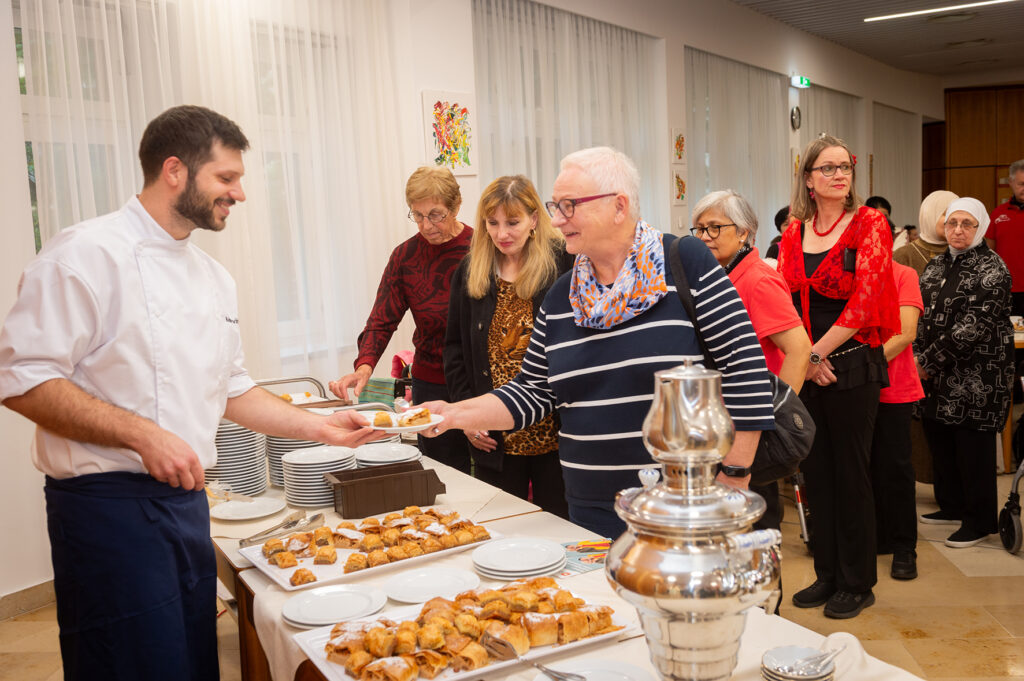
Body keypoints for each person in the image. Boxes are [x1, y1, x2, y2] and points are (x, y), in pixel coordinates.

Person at [0, 105, 382, 680]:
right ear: (174, 170)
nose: (240, 194)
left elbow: (229, 389)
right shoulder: (83, 255)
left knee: (191, 660)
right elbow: (22, 378)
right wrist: (142, 434)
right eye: (226, 178)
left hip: (185, 506)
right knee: (130, 666)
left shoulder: (212, 277)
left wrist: (320, 428)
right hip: (106, 512)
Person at [421, 146, 775, 538]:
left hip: (683, 503)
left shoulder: (684, 262)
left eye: (569, 206)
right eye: (555, 206)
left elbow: (745, 370)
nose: (556, 220)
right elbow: (533, 392)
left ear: (619, 206)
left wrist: (736, 477)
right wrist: (450, 414)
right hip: (589, 506)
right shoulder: (561, 296)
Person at [778, 134, 899, 620]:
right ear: (808, 180)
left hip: (852, 363)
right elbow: (785, 300)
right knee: (816, 473)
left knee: (852, 474)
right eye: (826, 168)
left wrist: (812, 353)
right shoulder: (793, 230)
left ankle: (857, 581)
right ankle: (826, 573)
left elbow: (865, 303)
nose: (839, 175)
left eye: (844, 167)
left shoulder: (870, 222)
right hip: (810, 365)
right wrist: (806, 359)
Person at [444, 175, 574, 518]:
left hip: (557, 435)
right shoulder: (472, 270)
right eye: (493, 223)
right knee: (501, 529)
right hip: (494, 436)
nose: (502, 233)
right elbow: (455, 351)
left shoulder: (565, 264)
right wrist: (468, 416)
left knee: (563, 530)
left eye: (513, 222)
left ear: (534, 219)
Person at [330, 167, 473, 473]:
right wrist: (364, 365)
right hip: (432, 382)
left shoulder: (481, 249)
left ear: (456, 205)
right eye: (417, 215)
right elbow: (381, 319)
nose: (426, 225)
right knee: (443, 472)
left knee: (490, 474)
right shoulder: (405, 257)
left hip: (482, 383)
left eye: (435, 214)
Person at [691, 189, 811, 531]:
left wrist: (774, 419)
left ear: (744, 232)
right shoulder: (722, 275)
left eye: (715, 228)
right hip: (724, 425)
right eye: (699, 229)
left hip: (749, 426)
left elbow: (799, 349)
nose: (704, 237)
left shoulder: (758, 278)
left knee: (755, 532)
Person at [914, 197, 1013, 548]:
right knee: (941, 441)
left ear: (981, 227)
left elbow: (971, 329)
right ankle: (952, 506)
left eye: (966, 224)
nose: (957, 230)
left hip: (977, 377)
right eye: (952, 223)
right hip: (935, 377)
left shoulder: (993, 269)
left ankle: (979, 520)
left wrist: (924, 362)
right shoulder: (936, 265)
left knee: (972, 450)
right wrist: (916, 356)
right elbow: (918, 315)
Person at [894, 190, 958, 484]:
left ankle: (951, 492)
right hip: (914, 351)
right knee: (917, 426)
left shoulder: (962, 252)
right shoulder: (904, 256)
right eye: (946, 215)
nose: (952, 225)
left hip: (953, 353)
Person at [870, 261, 925, 580]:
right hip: (852, 389)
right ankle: (876, 537)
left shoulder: (904, 274)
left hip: (893, 386)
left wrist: (866, 365)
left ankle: (905, 546)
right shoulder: (845, 275)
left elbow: (906, 333)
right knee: (861, 468)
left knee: (896, 469)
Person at [986, 160, 1024, 317]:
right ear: (1011, 182)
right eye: (1021, 184)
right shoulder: (997, 214)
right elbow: (988, 253)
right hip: (1005, 289)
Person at [894, 191, 957, 276]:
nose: (955, 221)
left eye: (958, 215)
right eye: (947, 214)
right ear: (930, 216)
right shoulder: (903, 256)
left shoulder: (965, 253)